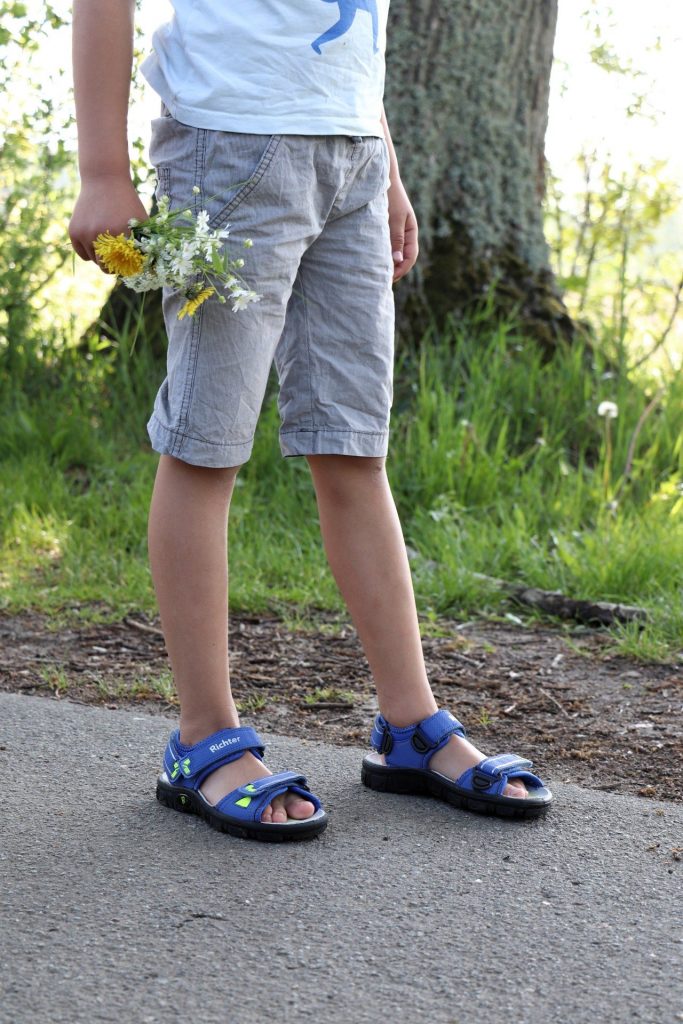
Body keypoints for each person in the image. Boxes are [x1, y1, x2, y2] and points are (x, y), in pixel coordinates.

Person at [68, 0, 552, 842]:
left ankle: (408, 725)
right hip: (231, 147)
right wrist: (103, 171)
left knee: (353, 448)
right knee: (205, 448)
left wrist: (385, 168)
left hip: (352, 158)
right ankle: (201, 737)